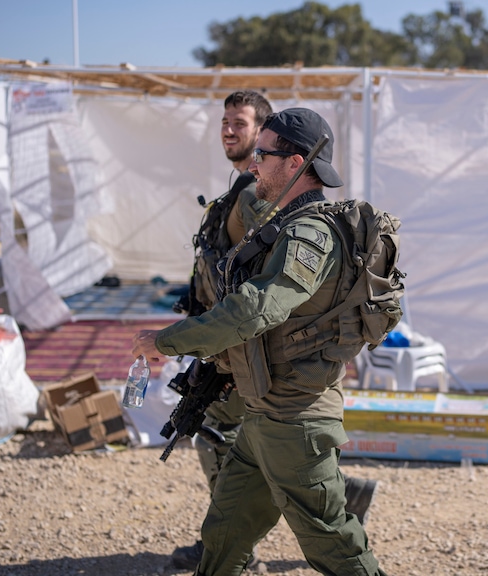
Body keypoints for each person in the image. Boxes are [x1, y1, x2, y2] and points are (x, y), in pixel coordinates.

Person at [167, 97, 378, 572]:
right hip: (264, 405)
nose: (253, 160)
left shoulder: (304, 227)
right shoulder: (266, 209)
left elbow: (260, 306)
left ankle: (340, 492)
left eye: (262, 150)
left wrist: (173, 339)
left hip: (293, 414)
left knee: (332, 543)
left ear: (296, 163)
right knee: (225, 532)